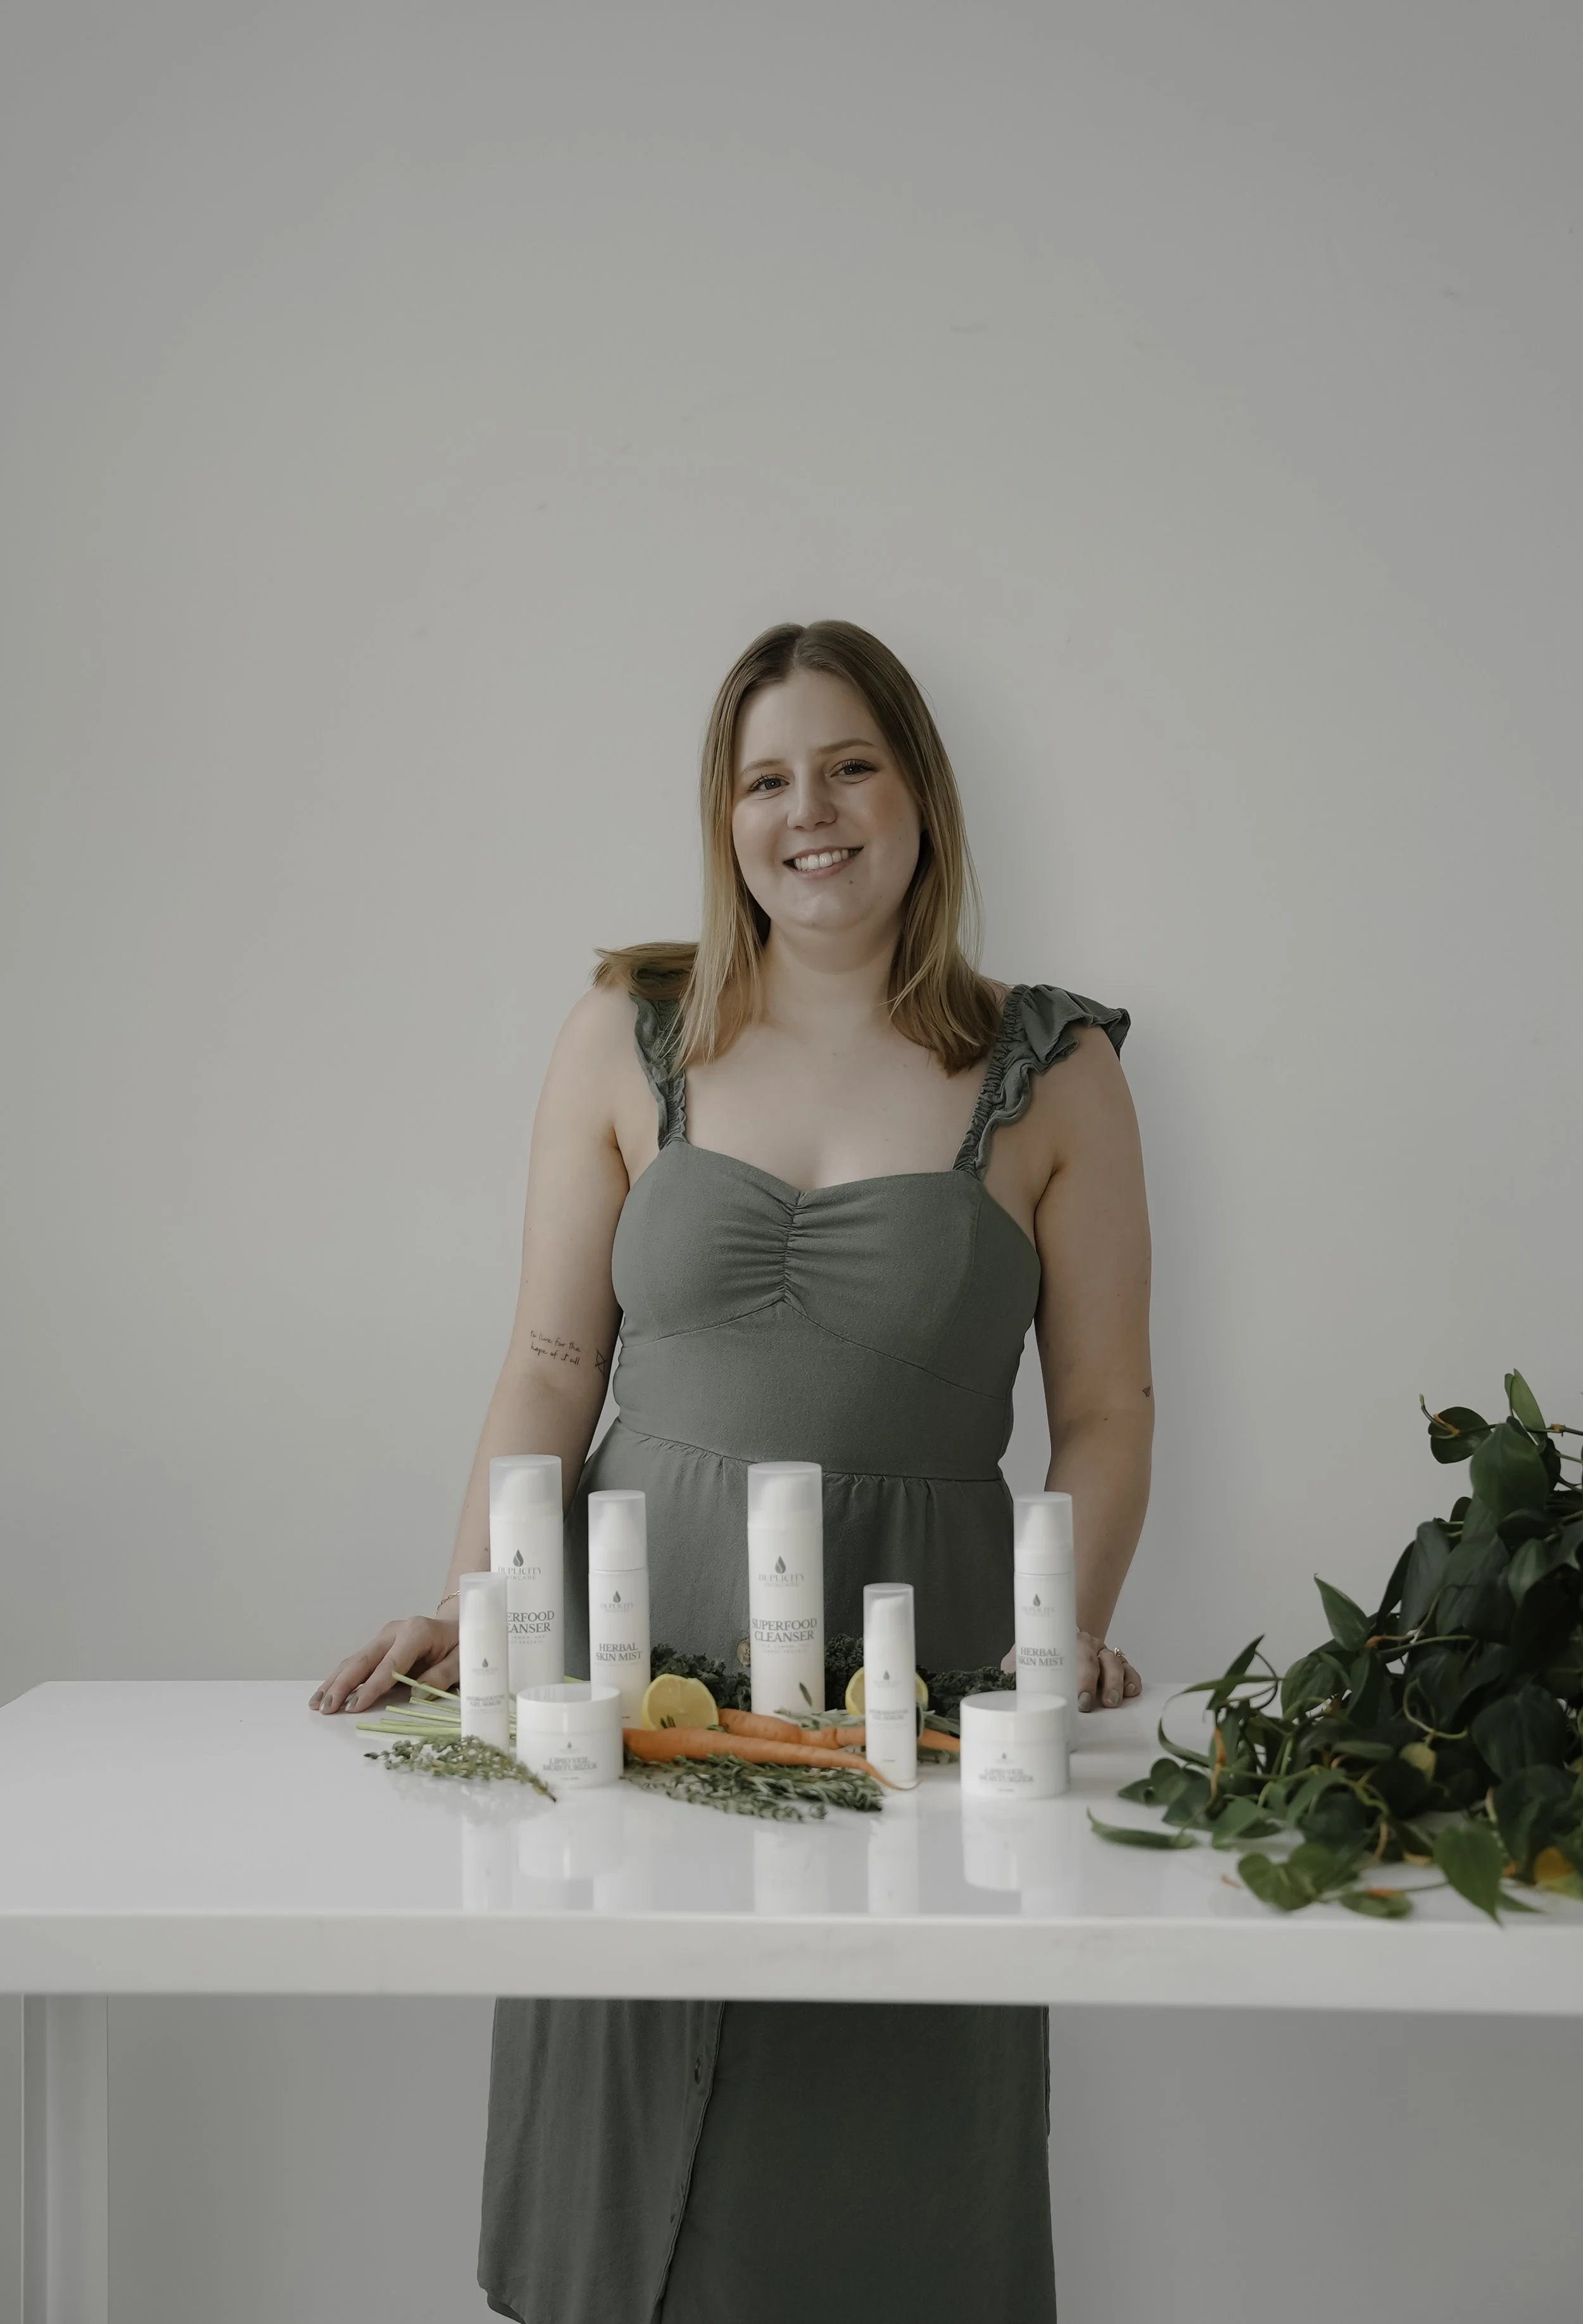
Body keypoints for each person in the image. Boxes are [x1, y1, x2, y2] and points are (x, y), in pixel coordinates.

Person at [310, 619, 1152, 2324]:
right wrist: (481, 1609)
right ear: (723, 815)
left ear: (918, 789)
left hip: (912, 1691)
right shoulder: (627, 1030)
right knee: (614, 2175)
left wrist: (1055, 1649)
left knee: (882, 2161)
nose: (809, 810)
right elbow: (551, 1363)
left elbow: (1107, 1409)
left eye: (848, 763)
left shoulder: (1054, 1071)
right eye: (764, 777)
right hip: (624, 1664)